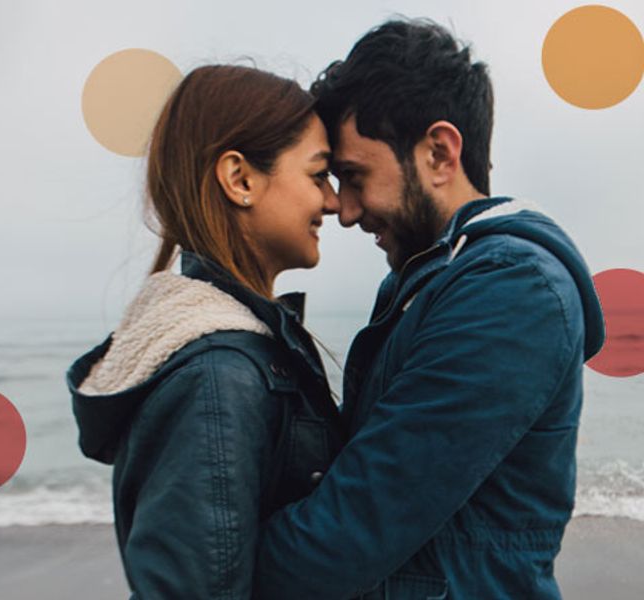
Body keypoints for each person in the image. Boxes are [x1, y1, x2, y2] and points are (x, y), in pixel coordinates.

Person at [252, 19, 606, 599]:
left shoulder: (511, 289)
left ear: (439, 153)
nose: (345, 210)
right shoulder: (430, 280)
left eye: (355, 176)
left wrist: (208, 574)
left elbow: (356, 526)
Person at [67, 64, 345, 598]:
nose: (333, 202)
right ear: (240, 180)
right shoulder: (218, 378)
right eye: (318, 176)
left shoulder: (234, 354)